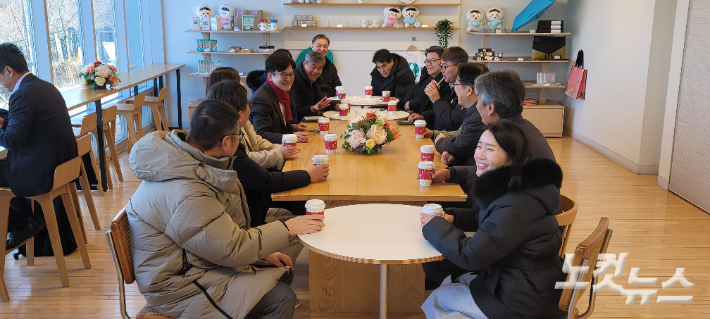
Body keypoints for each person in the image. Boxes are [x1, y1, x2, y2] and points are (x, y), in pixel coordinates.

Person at [126, 99, 326, 318]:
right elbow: (231, 249)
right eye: (239, 136)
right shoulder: (188, 192)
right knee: (281, 297)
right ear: (226, 142)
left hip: (196, 261)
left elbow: (219, 233)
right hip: (179, 285)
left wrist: (264, 250)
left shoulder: (187, 162)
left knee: (281, 271)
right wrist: (286, 228)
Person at [424, 70, 557, 290]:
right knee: (445, 214)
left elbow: (495, 227)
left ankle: (428, 288)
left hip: (518, 256)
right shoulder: (519, 131)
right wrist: (451, 173)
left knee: (436, 250)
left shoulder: (515, 143)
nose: (476, 106)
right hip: (526, 235)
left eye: (479, 100)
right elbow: (486, 171)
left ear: (490, 107)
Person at [420, 120, 566, 319]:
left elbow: (471, 255)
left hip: (522, 298)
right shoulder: (523, 186)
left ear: (510, 159)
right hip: (532, 283)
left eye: (490, 149)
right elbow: (496, 224)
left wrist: (434, 226)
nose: (479, 155)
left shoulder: (515, 204)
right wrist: (454, 217)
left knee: (438, 297)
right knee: (451, 281)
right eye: (479, 146)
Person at [207, 80, 329, 227]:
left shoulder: (215, 136)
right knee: (308, 228)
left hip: (248, 213)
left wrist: (280, 151)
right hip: (244, 226)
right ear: (239, 115)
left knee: (290, 214)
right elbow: (266, 181)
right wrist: (308, 175)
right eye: (248, 105)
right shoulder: (228, 148)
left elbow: (258, 142)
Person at [0, 43, 78, 254]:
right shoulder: (44, 86)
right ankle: (26, 222)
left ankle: (27, 221)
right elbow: (33, 126)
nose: (1, 83)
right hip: (61, 165)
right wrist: (5, 124)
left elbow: (12, 142)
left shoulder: (21, 95)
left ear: (8, 70)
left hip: (43, 171)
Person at [206, 67, 296, 169]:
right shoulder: (224, 126)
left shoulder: (240, 113)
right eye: (238, 81)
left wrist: (280, 148)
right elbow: (245, 158)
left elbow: (256, 140)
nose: (243, 84)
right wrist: (279, 153)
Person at [422, 63, 489, 167]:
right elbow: (461, 133)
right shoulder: (471, 110)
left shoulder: (479, 116)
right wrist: (433, 133)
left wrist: (440, 141)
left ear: (469, 90)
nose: (454, 89)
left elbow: (458, 146)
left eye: (456, 85)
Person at [250, 53, 309, 144]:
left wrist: (293, 127)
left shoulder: (281, 92)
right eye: (283, 74)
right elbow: (260, 134)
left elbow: (276, 125)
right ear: (270, 76)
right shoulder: (261, 99)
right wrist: (289, 137)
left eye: (291, 74)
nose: (289, 79)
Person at [408, 46, 469, 131]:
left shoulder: (464, 90)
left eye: (445, 66)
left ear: (459, 67)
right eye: (427, 61)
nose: (442, 70)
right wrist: (423, 116)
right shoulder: (450, 84)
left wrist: (436, 100)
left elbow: (450, 122)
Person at [401, 46, 452, 115]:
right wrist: (406, 103)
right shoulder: (426, 75)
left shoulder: (446, 81)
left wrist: (411, 105)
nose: (428, 64)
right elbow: (413, 89)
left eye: (432, 60)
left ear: (442, 61)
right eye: (427, 61)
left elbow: (428, 102)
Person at [291, 51, 333, 119]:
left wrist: (336, 105)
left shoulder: (318, 78)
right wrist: (311, 109)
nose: (316, 71)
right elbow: (294, 112)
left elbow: (321, 101)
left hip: (315, 118)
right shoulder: (294, 79)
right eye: (313, 67)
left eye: (319, 68)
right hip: (300, 123)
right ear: (304, 64)